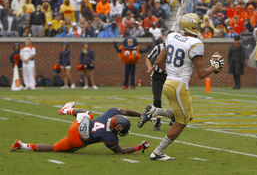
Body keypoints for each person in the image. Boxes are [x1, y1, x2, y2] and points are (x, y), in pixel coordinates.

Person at [138, 13, 224, 160]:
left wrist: (170, 72)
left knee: (187, 115)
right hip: (179, 86)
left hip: (168, 83)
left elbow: (158, 61)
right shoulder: (195, 44)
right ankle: (158, 152)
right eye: (197, 25)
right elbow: (201, 74)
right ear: (191, 27)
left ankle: (155, 111)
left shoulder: (172, 37)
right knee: (182, 121)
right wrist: (213, 66)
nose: (200, 27)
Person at [10, 101, 150, 154]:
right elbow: (120, 152)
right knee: (53, 148)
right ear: (117, 130)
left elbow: (125, 112)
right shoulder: (110, 138)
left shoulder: (112, 112)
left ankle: (21, 145)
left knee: (88, 114)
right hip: (78, 140)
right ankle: (23, 145)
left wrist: (141, 115)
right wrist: (139, 147)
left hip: (75, 127)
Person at [146, 38, 167, 130]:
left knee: (174, 98)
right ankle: (157, 121)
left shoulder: (179, 48)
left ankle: (175, 118)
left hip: (170, 76)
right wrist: (150, 67)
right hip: (157, 76)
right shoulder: (159, 47)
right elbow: (148, 58)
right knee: (157, 99)